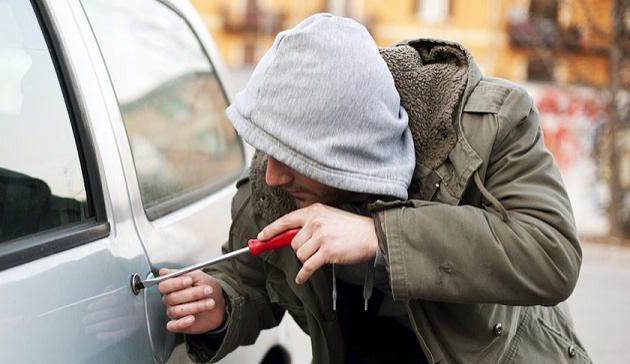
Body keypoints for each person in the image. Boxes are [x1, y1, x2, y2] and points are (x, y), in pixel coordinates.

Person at [158, 13, 590, 364]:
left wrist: (378, 236)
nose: (272, 175)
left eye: (292, 158)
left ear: (348, 151)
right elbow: (252, 280)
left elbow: (551, 254)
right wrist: (221, 304)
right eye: (268, 150)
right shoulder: (276, 181)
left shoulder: (490, 125)